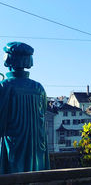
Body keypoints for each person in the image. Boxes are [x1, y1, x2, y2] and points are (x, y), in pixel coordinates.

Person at [0, 42, 50, 174]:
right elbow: (44, 111)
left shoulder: (4, 86)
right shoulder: (38, 87)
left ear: (8, 60)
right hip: (36, 146)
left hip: (13, 146)